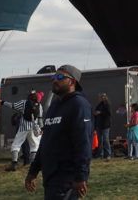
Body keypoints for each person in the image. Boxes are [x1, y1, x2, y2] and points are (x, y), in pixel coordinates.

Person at [25, 63, 93, 200]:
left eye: (60, 77)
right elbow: (45, 142)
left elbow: (83, 143)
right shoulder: (54, 106)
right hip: (51, 176)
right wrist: (33, 171)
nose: (55, 79)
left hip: (67, 178)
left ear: (72, 81)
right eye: (54, 77)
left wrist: (81, 176)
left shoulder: (79, 104)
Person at [8, 90, 43, 171]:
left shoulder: (24, 103)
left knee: (16, 145)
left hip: (23, 128)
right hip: (34, 128)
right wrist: (41, 128)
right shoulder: (39, 106)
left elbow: (13, 105)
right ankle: (32, 164)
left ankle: (14, 164)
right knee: (34, 146)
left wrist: (2, 102)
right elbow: (40, 119)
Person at [93, 92, 112, 159]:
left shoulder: (107, 105)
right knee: (100, 140)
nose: (99, 99)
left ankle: (108, 154)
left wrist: (100, 112)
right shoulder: (98, 105)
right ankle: (100, 154)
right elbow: (95, 112)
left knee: (105, 139)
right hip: (99, 125)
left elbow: (108, 114)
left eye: (100, 97)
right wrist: (95, 113)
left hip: (105, 125)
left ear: (103, 97)